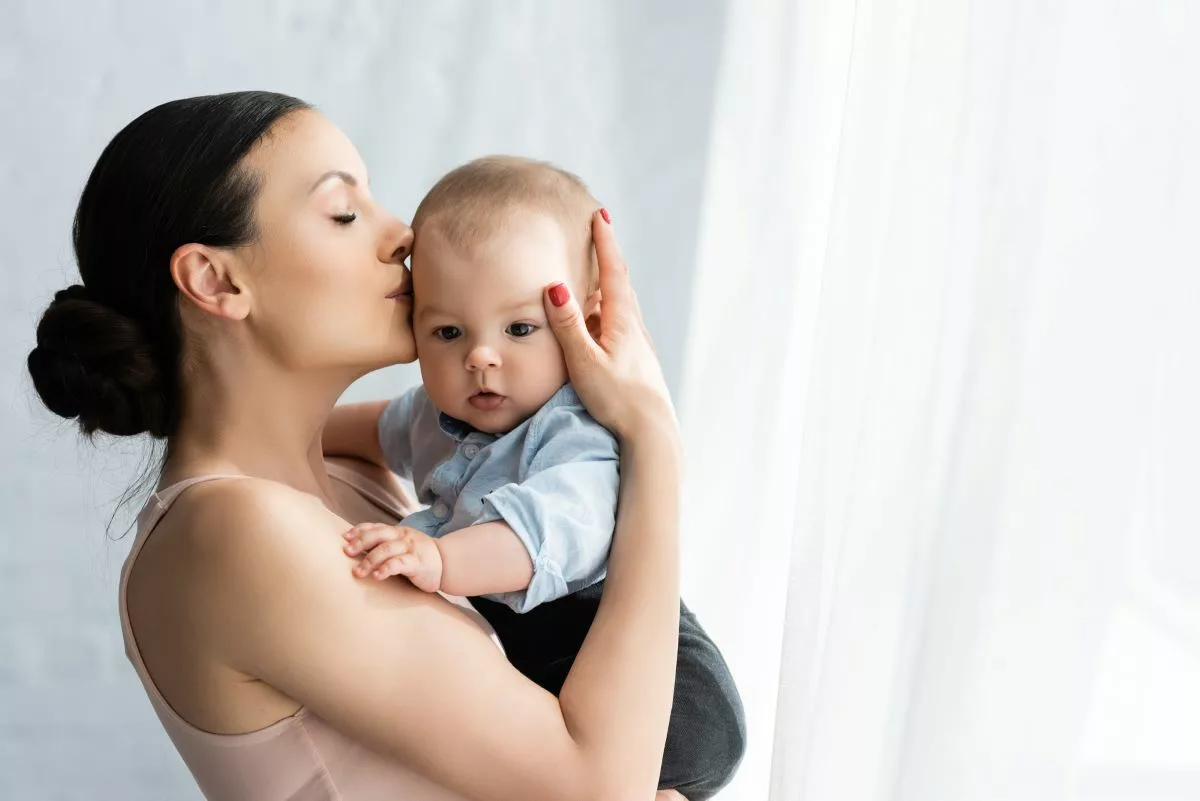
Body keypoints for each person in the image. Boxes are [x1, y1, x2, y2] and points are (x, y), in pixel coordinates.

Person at [27, 91, 690, 801]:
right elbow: (600, 787)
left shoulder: (350, 479)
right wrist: (648, 432)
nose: (403, 235)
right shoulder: (235, 532)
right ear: (217, 280)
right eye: (344, 212)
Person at [323, 155, 745, 800]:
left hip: (661, 688)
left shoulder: (578, 436)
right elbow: (372, 428)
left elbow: (532, 539)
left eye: (520, 328)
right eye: (447, 331)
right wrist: (301, 428)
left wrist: (439, 557)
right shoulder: (441, 414)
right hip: (542, 671)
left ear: (587, 324)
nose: (480, 356)